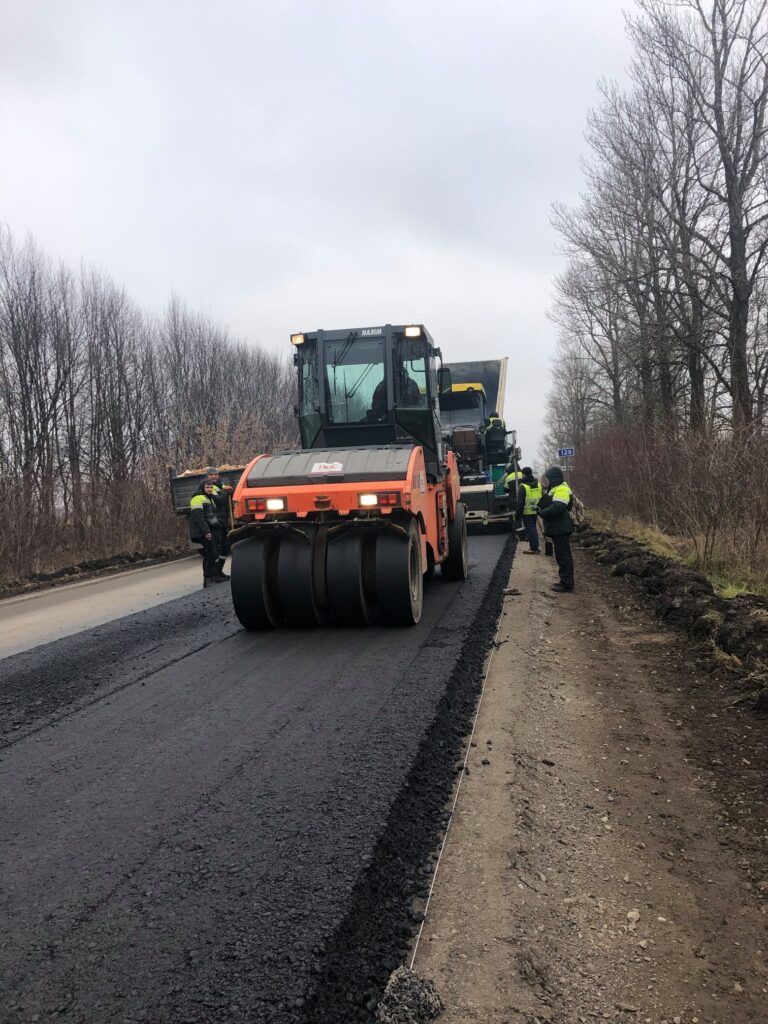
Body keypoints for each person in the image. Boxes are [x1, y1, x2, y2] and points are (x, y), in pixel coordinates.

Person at [537, 466, 574, 591]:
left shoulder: (562, 489)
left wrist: (542, 513)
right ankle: (565, 581)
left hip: (561, 528)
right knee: (561, 555)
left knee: (563, 556)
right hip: (558, 527)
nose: (547, 481)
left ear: (554, 478)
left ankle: (567, 583)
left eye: (548, 478)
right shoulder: (556, 488)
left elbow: (558, 507)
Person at [189, 482, 224, 588]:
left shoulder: (209, 498)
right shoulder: (197, 499)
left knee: (214, 553)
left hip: (210, 530)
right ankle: (207, 580)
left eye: (211, 487)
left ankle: (214, 576)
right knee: (209, 554)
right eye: (207, 487)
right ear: (202, 488)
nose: (209, 489)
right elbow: (199, 518)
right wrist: (206, 532)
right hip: (202, 532)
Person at [204, 467, 233, 578]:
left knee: (225, 547)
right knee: (216, 549)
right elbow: (220, 500)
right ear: (207, 476)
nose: (214, 476)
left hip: (222, 521)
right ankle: (212, 575)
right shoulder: (209, 487)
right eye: (212, 475)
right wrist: (225, 491)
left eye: (216, 474)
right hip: (216, 522)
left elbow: (225, 494)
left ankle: (219, 571)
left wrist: (228, 490)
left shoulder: (220, 485)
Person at [516, 466, 542, 554]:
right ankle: (535, 546)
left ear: (523, 474)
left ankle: (534, 548)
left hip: (527, 511)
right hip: (536, 510)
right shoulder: (538, 483)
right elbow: (542, 496)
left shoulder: (523, 486)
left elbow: (520, 502)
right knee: (533, 528)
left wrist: (518, 514)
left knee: (530, 529)